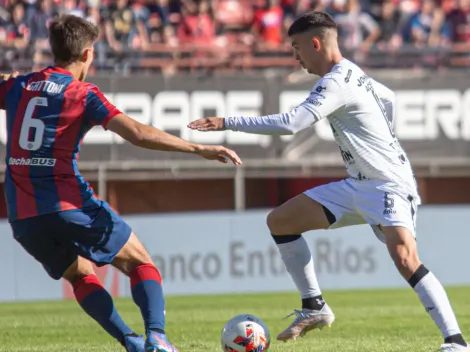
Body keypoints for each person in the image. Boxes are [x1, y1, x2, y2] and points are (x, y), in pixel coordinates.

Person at [188, 11, 468, 352]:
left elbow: (293, 123)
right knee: (280, 221)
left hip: (387, 183)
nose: (295, 56)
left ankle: (455, 342)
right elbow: (389, 98)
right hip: (358, 184)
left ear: (316, 43)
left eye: (297, 47)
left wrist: (227, 121)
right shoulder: (356, 75)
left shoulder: (337, 81)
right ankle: (314, 306)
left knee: (406, 258)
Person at [0, 14, 241, 352]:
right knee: (140, 263)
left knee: (81, 276)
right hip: (69, 206)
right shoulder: (83, 94)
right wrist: (198, 148)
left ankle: (131, 342)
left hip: (24, 218)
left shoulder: (18, 85)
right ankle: (157, 337)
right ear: (87, 55)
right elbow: (138, 134)